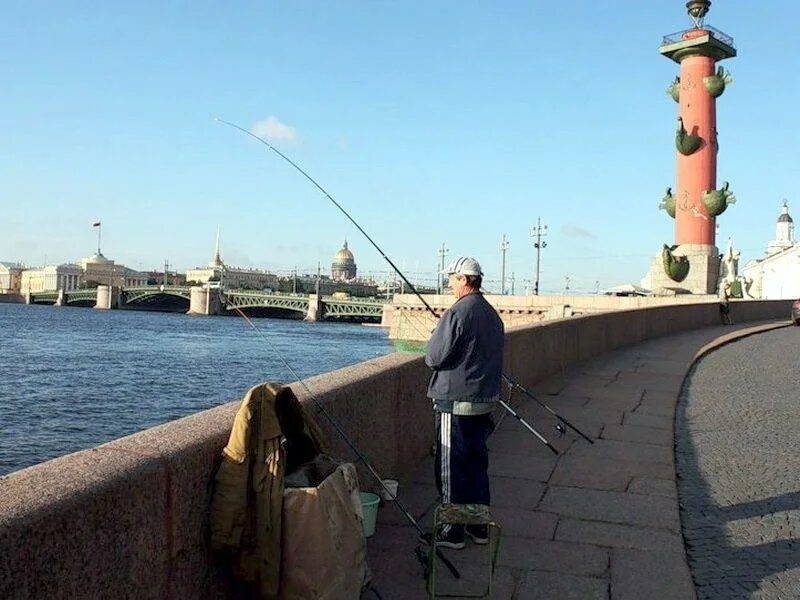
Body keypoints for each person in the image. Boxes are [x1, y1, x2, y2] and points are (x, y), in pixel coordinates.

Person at [424, 256, 504, 549]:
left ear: (464, 280)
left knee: (450, 467)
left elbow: (433, 357)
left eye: (452, 278)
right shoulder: (491, 314)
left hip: (455, 402)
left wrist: (438, 332)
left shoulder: (458, 312)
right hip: (483, 402)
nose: (449, 283)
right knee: (475, 464)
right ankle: (479, 527)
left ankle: (452, 530)